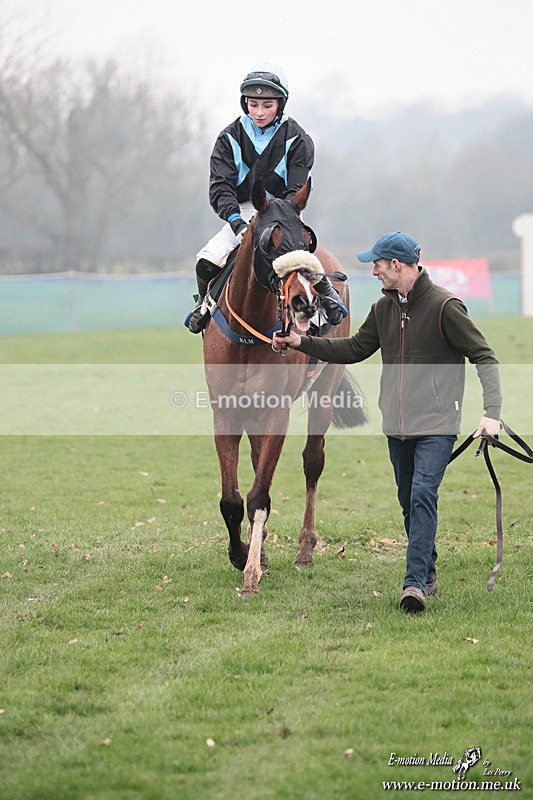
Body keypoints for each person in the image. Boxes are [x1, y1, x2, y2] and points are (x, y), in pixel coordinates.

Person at [273, 231, 502, 613]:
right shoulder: (383, 309)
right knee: (407, 502)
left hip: (437, 424)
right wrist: (302, 343)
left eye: (377, 264)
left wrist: (491, 414)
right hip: (396, 424)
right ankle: (427, 571)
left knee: (422, 496)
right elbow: (353, 348)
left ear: (397, 265)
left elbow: (485, 356)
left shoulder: (447, 307)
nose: (373, 271)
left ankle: (413, 585)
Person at [184, 62, 346, 333]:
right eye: (253, 104)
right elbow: (220, 187)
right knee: (207, 260)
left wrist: (281, 215)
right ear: (244, 103)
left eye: (267, 105)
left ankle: (327, 299)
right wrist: (235, 220)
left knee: (299, 257)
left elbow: (296, 187)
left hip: (286, 210)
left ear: (280, 104)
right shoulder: (228, 138)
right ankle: (205, 303)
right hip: (245, 210)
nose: (259, 112)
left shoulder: (297, 138)